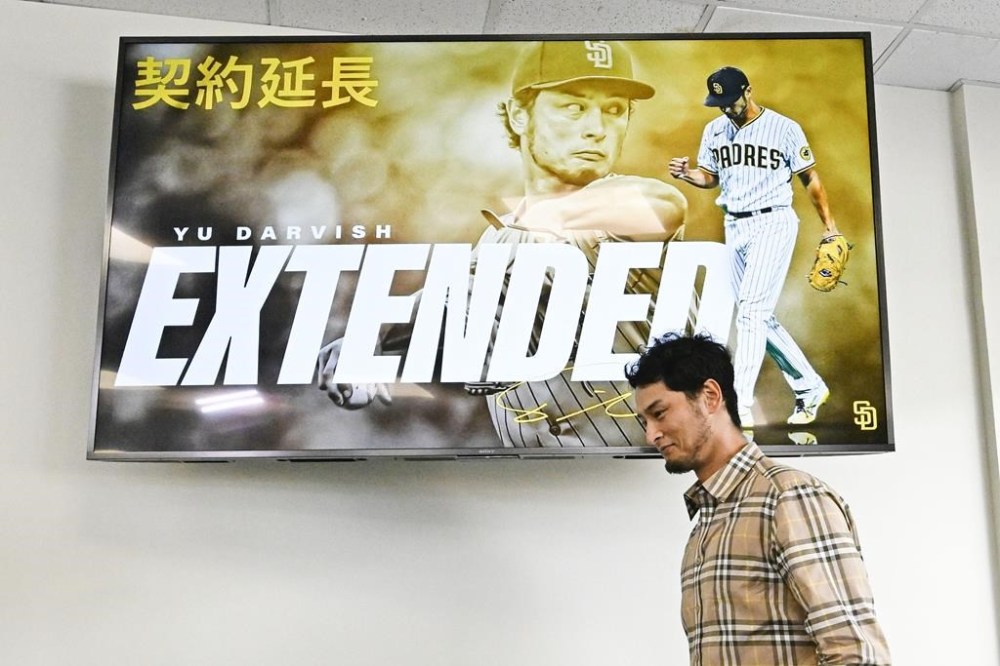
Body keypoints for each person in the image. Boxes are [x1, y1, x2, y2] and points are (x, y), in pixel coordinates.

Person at [317, 40, 688, 448]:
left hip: (651, 478)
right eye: (573, 107)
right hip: (538, 483)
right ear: (518, 115)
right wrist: (372, 336)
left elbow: (664, 206)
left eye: (614, 110)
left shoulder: (624, 205)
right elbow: (455, 305)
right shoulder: (498, 241)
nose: (596, 128)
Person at [626, 332, 891, 665]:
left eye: (659, 413)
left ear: (709, 396)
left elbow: (858, 653)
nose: (651, 435)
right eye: (645, 421)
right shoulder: (708, 520)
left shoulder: (788, 497)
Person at [668, 66, 837, 428]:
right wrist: (686, 174)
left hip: (773, 221)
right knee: (757, 314)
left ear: (747, 91)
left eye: (730, 101)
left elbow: (810, 177)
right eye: (719, 104)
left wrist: (830, 228)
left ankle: (737, 405)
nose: (726, 109)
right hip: (735, 224)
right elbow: (709, 177)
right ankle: (809, 387)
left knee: (750, 314)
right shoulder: (714, 130)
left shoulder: (785, 128)